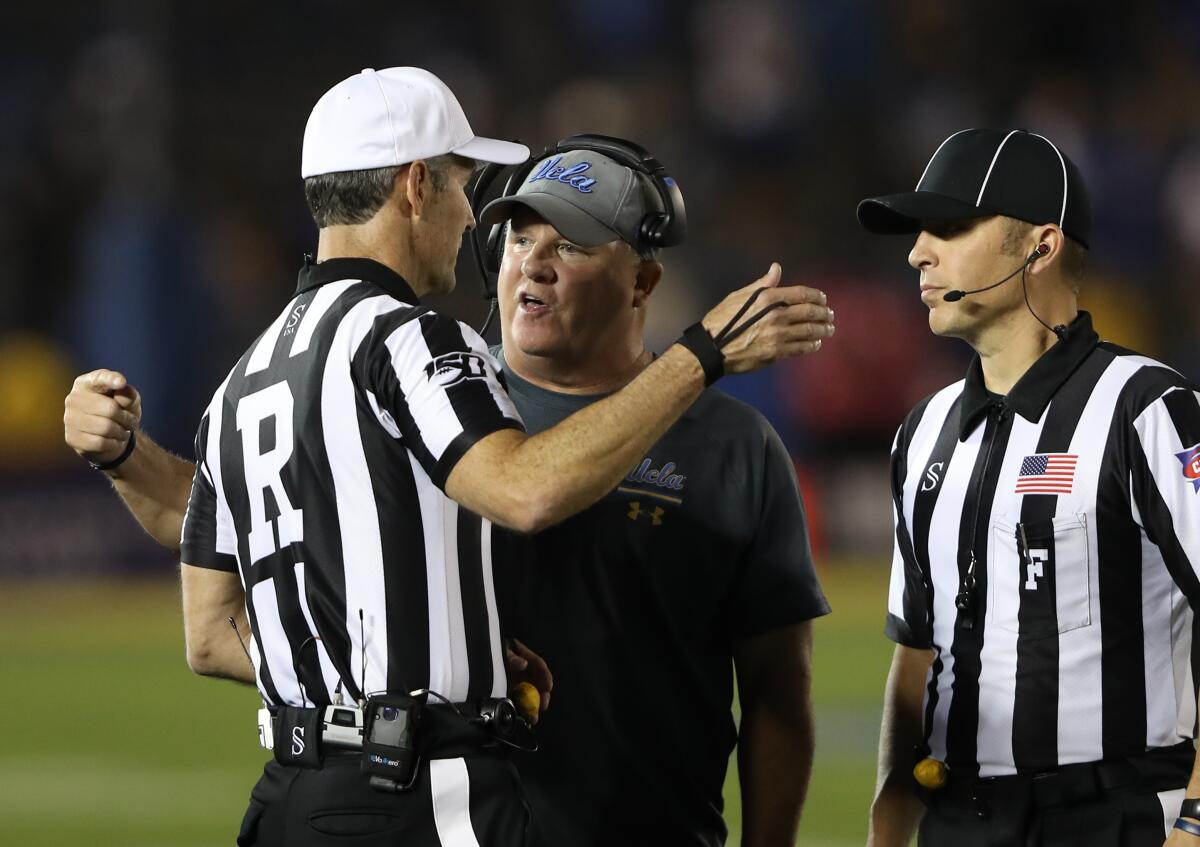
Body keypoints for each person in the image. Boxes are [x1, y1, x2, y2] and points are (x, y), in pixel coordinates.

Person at [63, 67, 834, 847]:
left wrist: (436, 651)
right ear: (416, 185)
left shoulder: (245, 377)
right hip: (415, 792)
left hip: (293, 798)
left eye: (567, 242)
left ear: (642, 279)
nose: (478, 225)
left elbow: (215, 623)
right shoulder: (415, 341)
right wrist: (700, 353)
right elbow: (523, 489)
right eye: (474, 196)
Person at [466, 143, 830, 847]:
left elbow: (777, 695)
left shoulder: (737, 446)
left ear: (642, 283)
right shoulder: (443, 410)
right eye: (518, 238)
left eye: (569, 244)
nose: (533, 263)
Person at [857, 127, 1200, 847]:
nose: (918, 251)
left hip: (1118, 816)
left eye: (950, 228)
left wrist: (1196, 820)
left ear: (1040, 246)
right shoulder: (923, 430)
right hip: (960, 821)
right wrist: (890, 816)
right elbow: (917, 646)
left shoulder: (1145, 407)